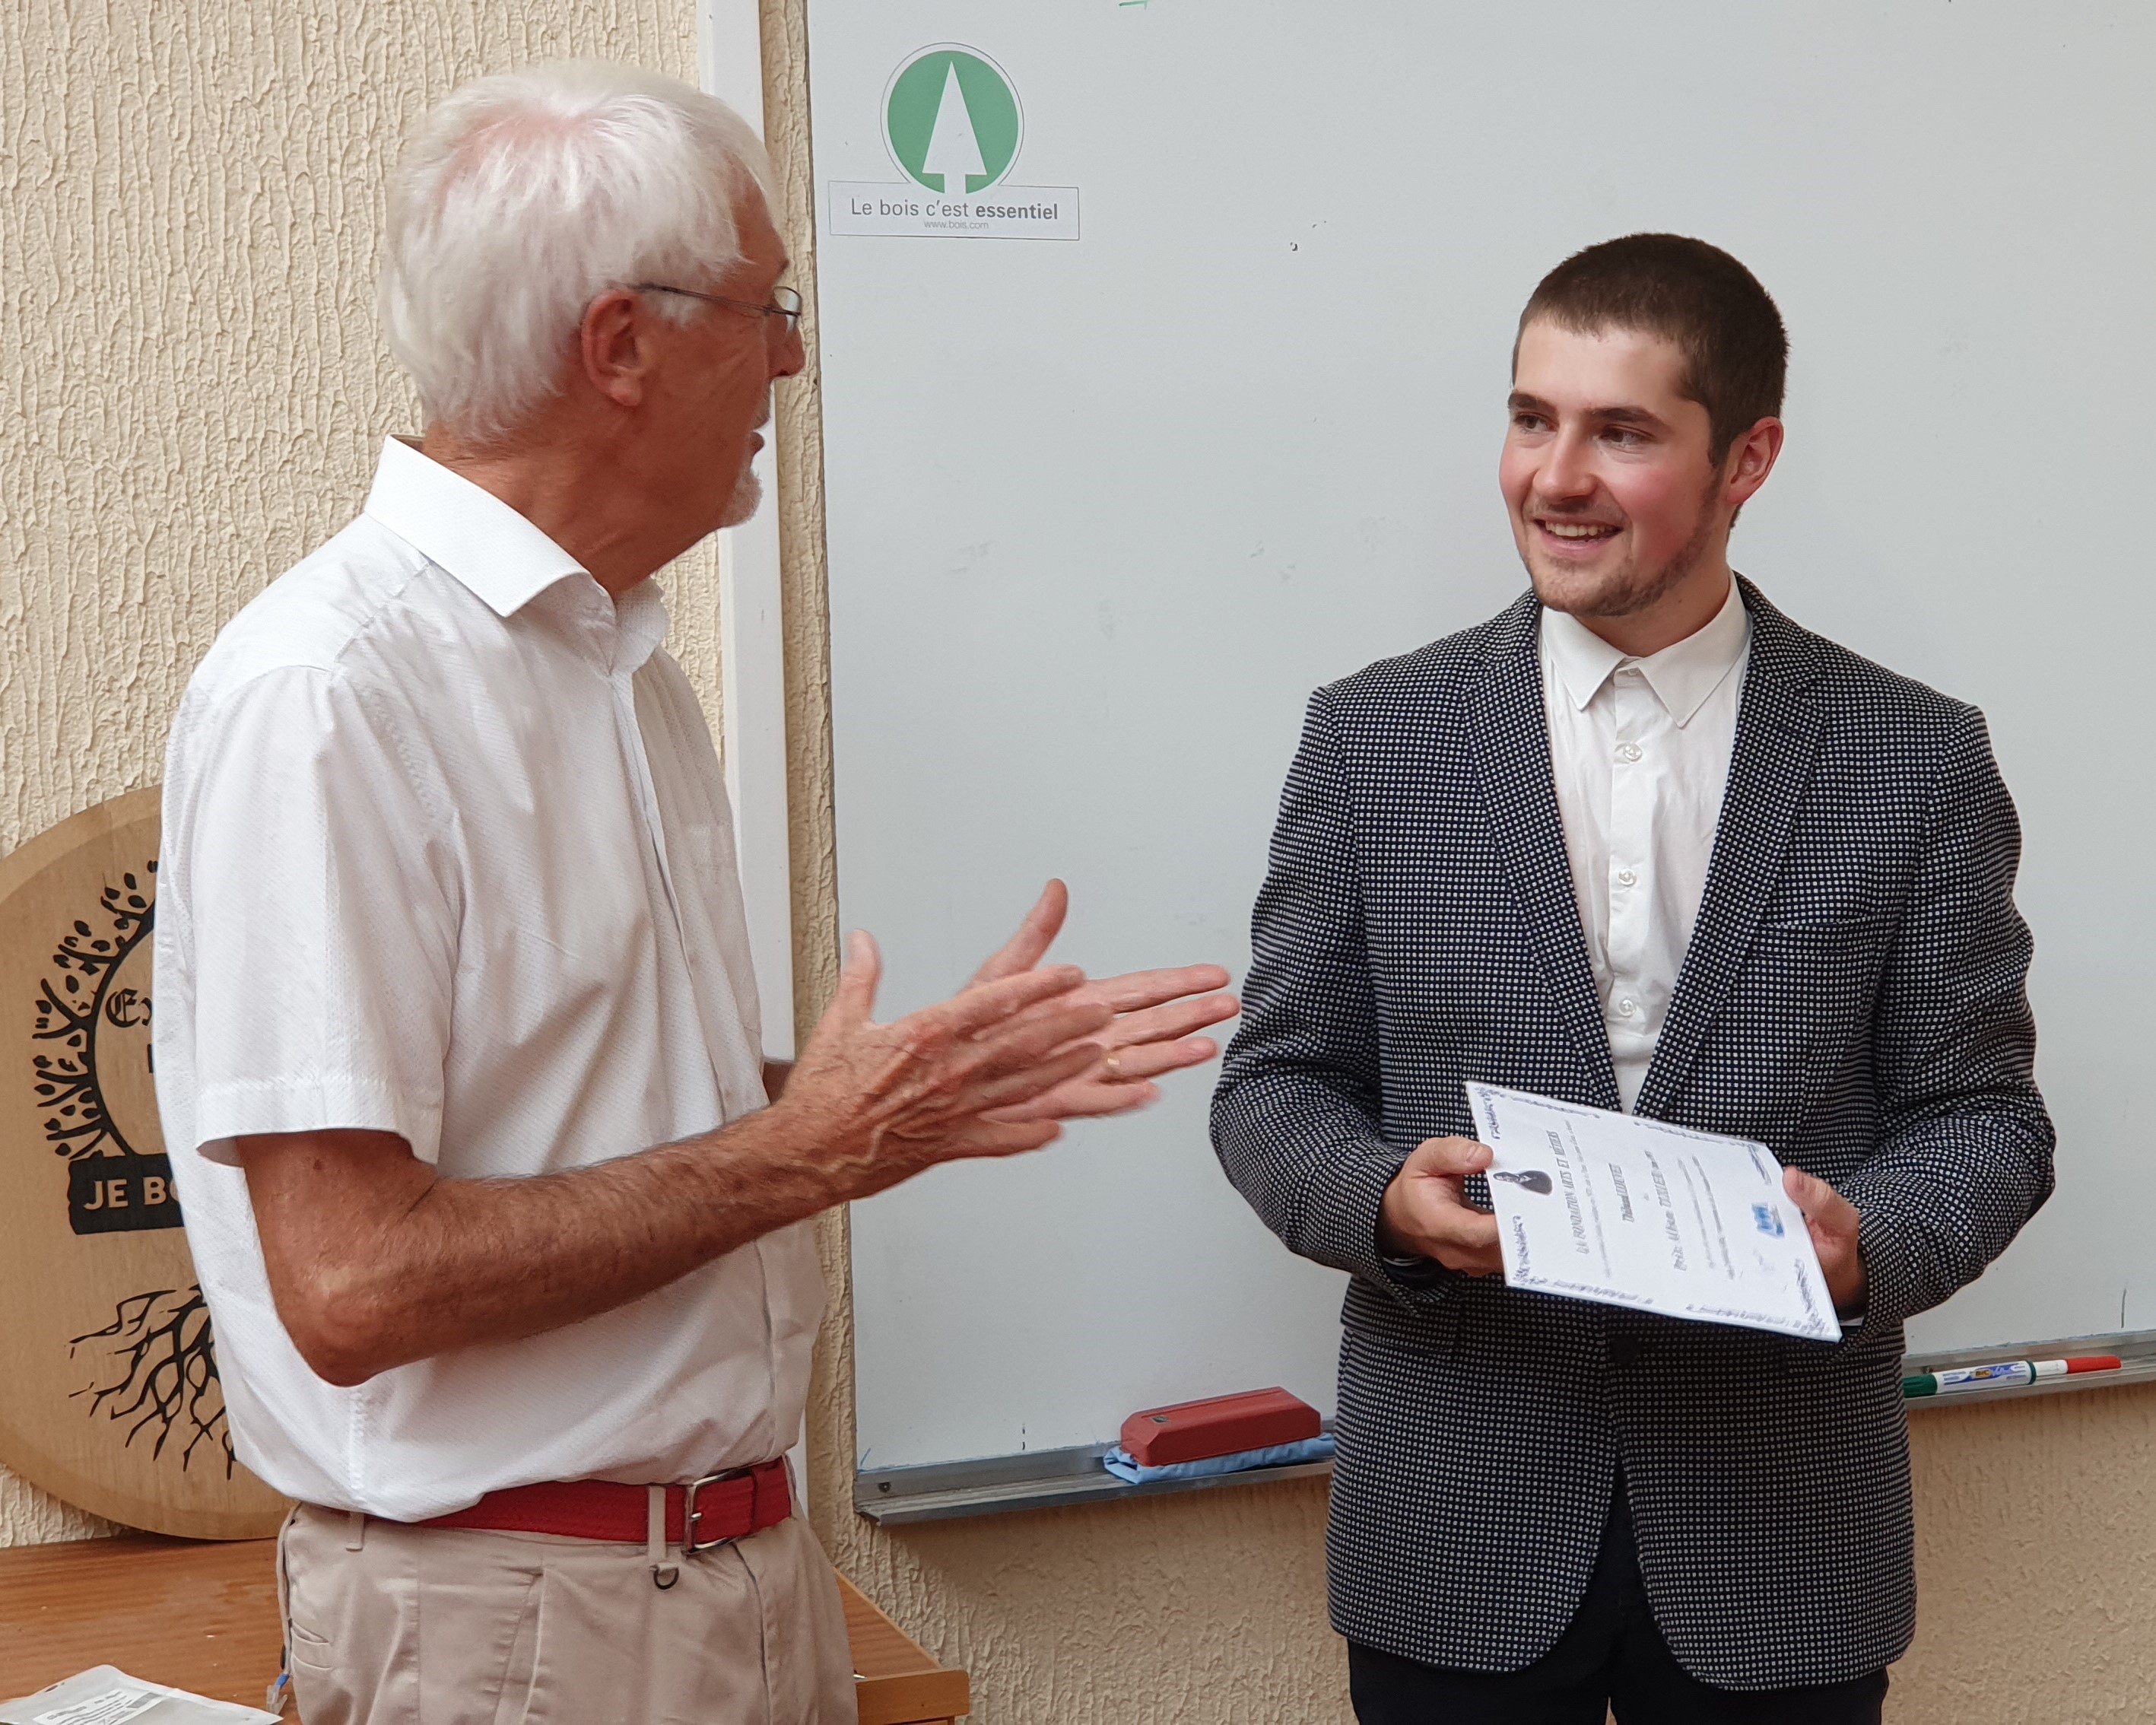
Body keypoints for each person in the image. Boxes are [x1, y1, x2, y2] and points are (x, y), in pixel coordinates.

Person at [154, 62, 1237, 1725]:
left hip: (734, 1577)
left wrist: (890, 1099)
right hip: (510, 1625)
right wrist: (805, 1148)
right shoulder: (329, 691)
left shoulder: (620, 661)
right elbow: (354, 1284)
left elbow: (586, 1122)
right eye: (766, 307)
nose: (793, 357)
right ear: (619, 346)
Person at [1211, 233, 2053, 1723]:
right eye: (1530, 418)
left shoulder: (1910, 758)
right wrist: (1381, 1208)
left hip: (1777, 1541)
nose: (1553, 475)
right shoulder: (1371, 741)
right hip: (1454, 1533)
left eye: (1620, 432)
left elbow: (1982, 1122)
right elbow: (1275, 1087)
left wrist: (1861, 1247)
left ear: (1746, 458)